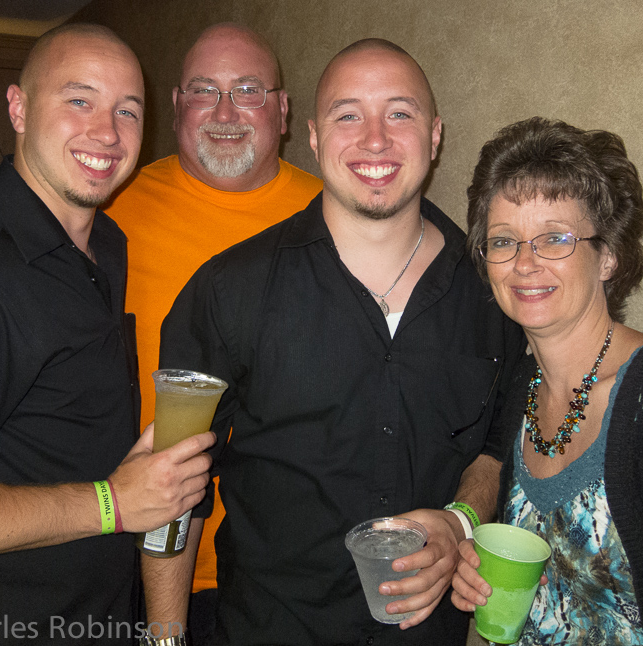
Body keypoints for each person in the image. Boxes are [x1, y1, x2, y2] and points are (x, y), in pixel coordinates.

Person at [143, 39, 526, 646]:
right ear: (316, 138)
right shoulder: (227, 291)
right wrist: (164, 640)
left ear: (435, 136)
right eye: (349, 114)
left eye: (399, 113)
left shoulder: (495, 289)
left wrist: (463, 520)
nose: (375, 139)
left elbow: (498, 439)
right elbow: (170, 493)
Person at [0, 23, 214, 645]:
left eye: (127, 110)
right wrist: (113, 503)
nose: (107, 132)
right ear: (18, 108)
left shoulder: (105, 243)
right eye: (79, 100)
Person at [450, 117, 643, 645]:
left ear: (608, 254)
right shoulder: (523, 381)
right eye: (504, 241)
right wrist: (471, 563)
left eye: (555, 239)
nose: (525, 263)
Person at [104, 22, 322, 639]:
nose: (225, 112)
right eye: (204, 90)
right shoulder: (112, 210)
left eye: (249, 90)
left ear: (282, 111)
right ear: (175, 107)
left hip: (272, 572)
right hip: (124, 553)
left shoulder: (331, 221)